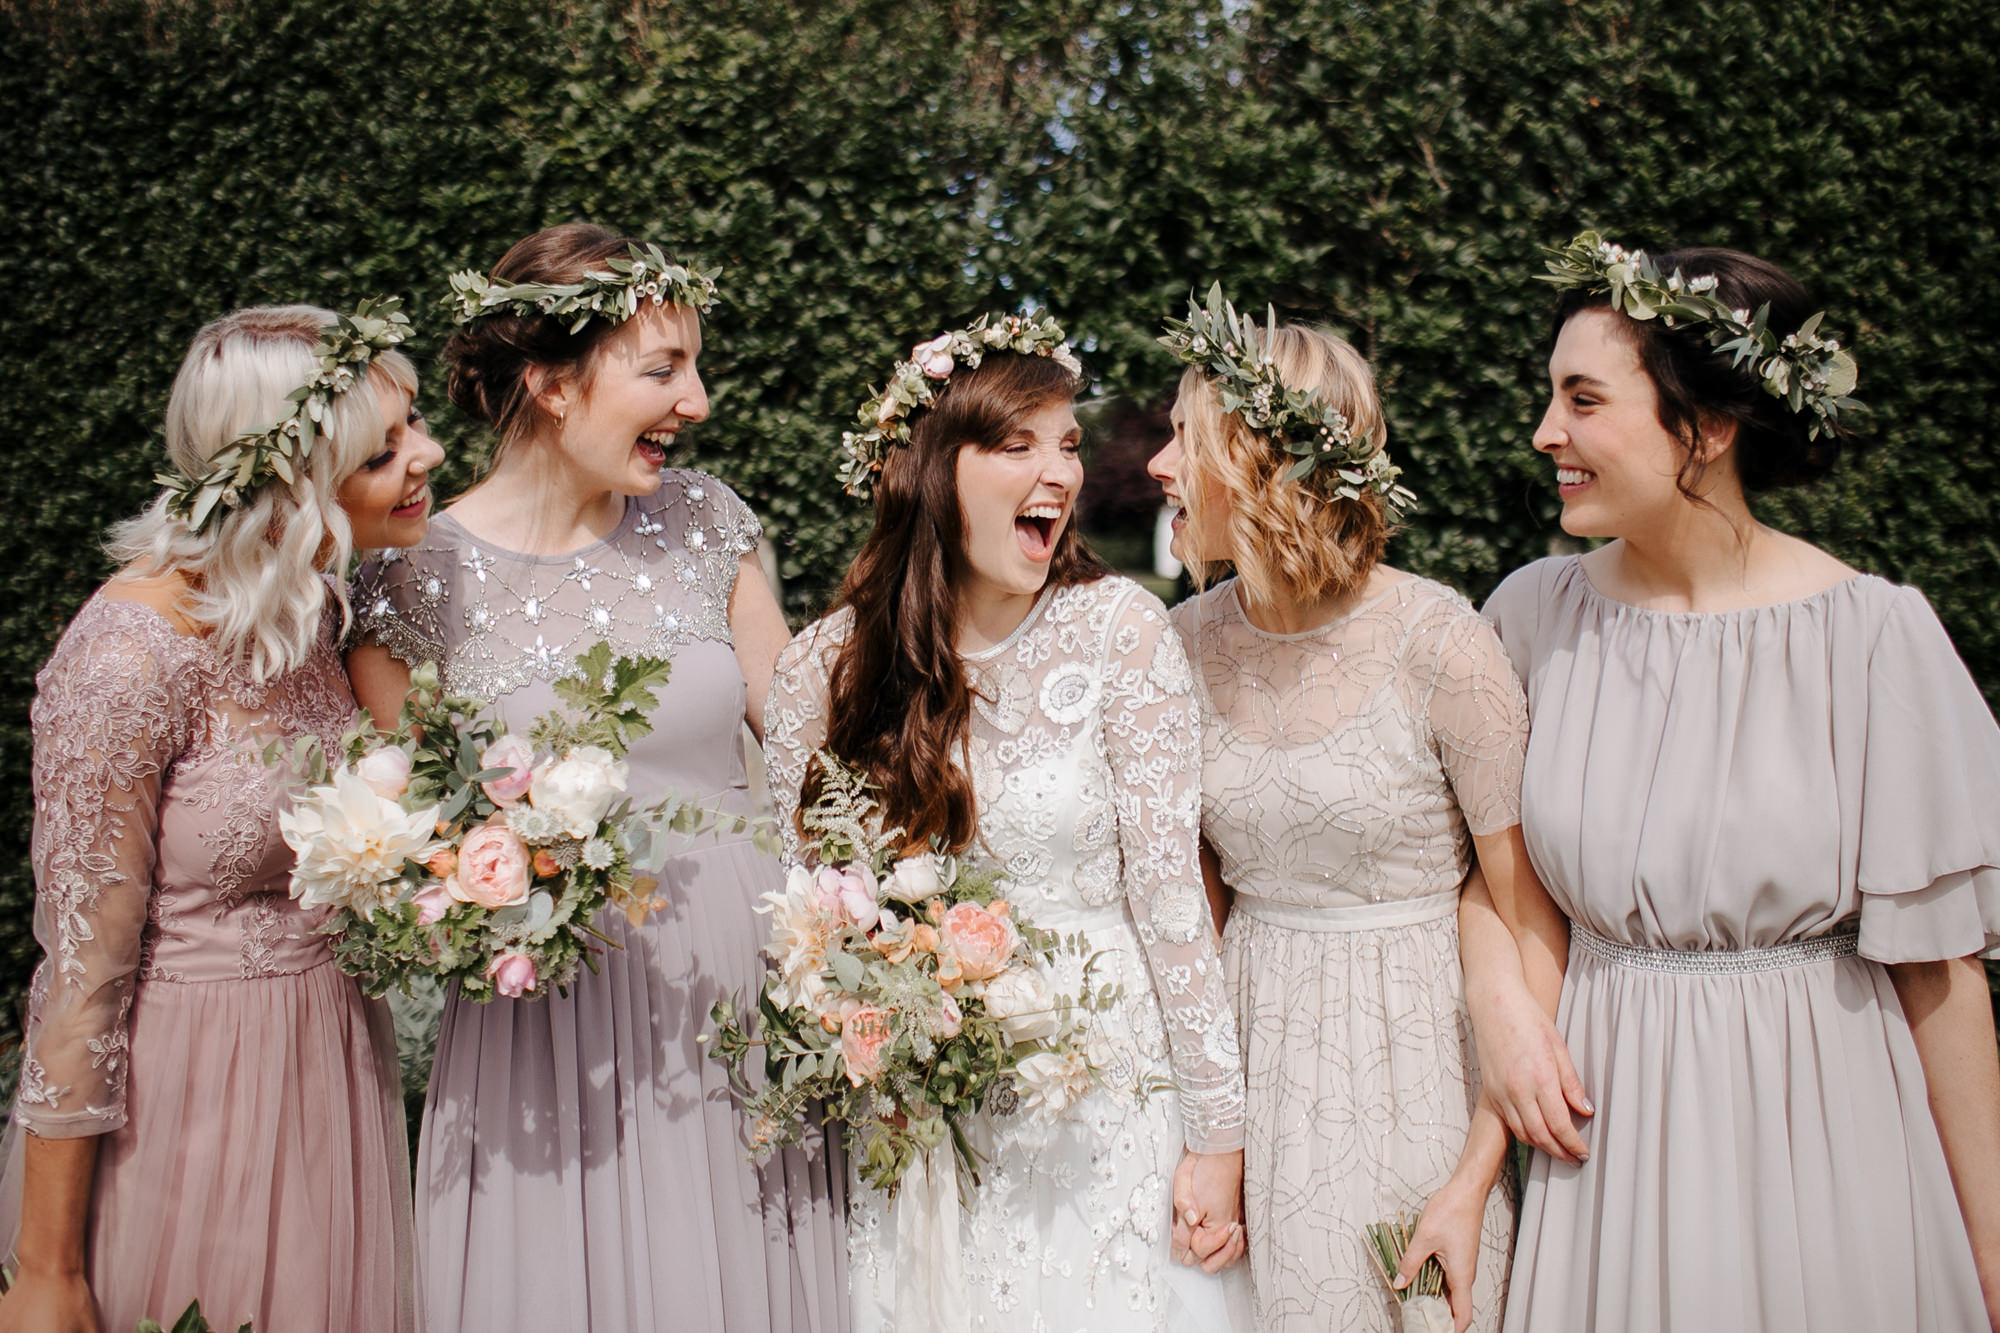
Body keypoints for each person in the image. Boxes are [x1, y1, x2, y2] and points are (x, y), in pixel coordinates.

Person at [1485, 234, 2000, 1332]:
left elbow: (1938, 977)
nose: (1544, 434)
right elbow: (1475, 879)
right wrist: (1499, 1010)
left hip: (1822, 1136)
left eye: (1582, 399)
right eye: (1548, 396)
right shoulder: (1530, 618)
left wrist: (1994, 1258)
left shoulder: (1870, 637)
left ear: (1707, 430)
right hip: (1607, 1147)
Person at [348, 222, 845, 1333]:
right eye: (662, 370)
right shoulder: (412, 584)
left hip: (737, 1011)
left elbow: (818, 750)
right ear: (551, 384)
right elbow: (411, 850)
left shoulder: (706, 522)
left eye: (695, 366)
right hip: (549, 1041)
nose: (700, 400)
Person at [764, 314, 1250, 1331]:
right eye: (1016, 444)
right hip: (922, 1126)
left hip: (1106, 1104)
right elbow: (798, 917)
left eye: (1067, 443)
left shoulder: (1119, 633)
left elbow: (1171, 900)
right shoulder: (826, 666)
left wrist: (1216, 1135)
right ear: (930, 472)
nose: (1059, 473)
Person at [1145, 294, 1581, 1333]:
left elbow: (1529, 920)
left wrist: (1477, 1176)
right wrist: (1206, 1134)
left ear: (1259, 461)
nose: (1159, 467)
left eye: (1180, 437)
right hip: (1251, 1065)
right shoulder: (1178, 644)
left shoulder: (1438, 641)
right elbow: (1191, 900)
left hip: (1418, 1074)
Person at [0, 301, 436, 1333]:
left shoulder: (323, 616)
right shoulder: (124, 656)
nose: (427, 454)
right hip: (195, 1102)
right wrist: (44, 1269)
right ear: (286, 482)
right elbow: (77, 976)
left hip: (334, 1067)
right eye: (385, 450)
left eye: (413, 421)